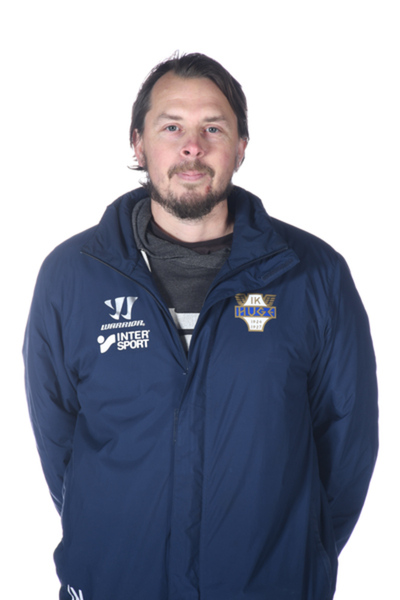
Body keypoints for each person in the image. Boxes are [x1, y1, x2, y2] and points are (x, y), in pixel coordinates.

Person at [23, 53, 378, 600]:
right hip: (115, 582)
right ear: (138, 144)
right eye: (172, 127)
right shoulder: (72, 276)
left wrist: (297, 559)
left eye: (213, 127)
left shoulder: (314, 274)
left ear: (241, 146)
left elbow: (346, 444)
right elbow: (60, 445)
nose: (193, 146)